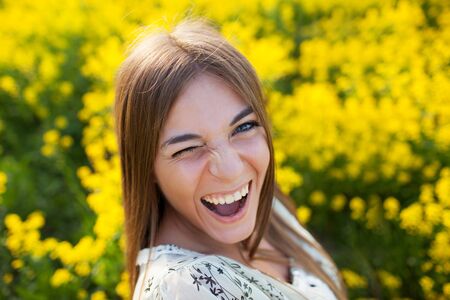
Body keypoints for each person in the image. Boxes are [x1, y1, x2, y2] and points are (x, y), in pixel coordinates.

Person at [114, 18, 347, 300]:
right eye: (187, 148)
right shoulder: (183, 288)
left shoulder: (261, 204)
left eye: (244, 127)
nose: (231, 170)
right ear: (145, 166)